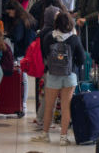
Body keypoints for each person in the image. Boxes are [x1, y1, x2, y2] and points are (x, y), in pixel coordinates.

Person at [31, 12, 83, 146]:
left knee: (49, 106)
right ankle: (63, 138)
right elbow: (82, 59)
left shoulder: (49, 37)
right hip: (69, 76)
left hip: (53, 75)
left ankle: (45, 134)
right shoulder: (74, 39)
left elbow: (45, 54)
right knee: (66, 107)